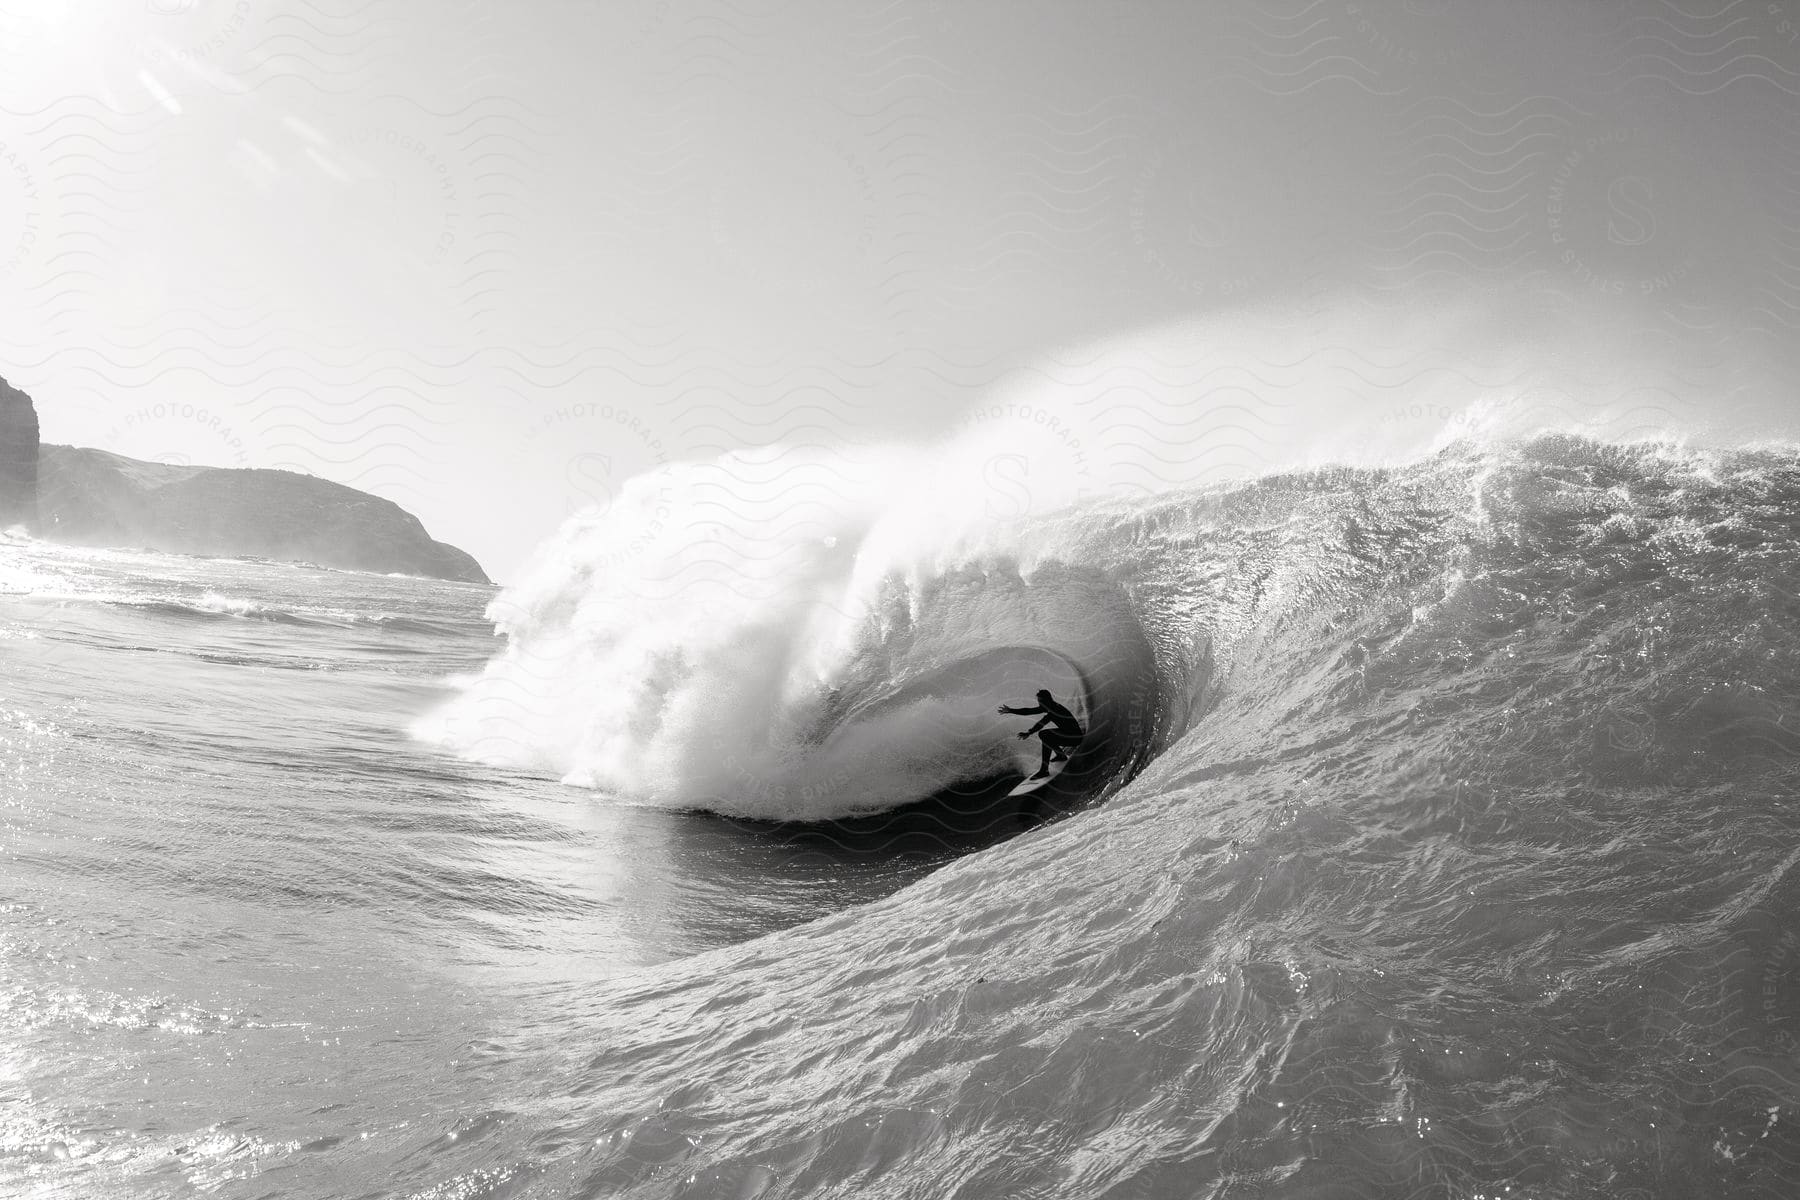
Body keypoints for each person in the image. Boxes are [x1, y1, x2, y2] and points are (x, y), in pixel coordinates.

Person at [998, 689, 1085, 779]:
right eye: (1039, 701)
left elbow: (1042, 723)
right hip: (1069, 734)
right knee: (1047, 735)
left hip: (1075, 738)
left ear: (1047, 700)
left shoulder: (1055, 709)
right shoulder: (1049, 706)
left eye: (1041, 701)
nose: (1039, 704)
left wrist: (1029, 732)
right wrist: (1011, 710)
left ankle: (1044, 770)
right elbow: (1028, 711)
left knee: (1044, 735)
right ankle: (1060, 755)